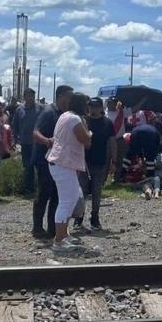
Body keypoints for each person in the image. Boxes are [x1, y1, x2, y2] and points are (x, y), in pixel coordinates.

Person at [47, 92, 92, 253]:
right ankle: (59, 241)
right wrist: (88, 129)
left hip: (61, 162)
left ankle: (63, 235)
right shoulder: (75, 119)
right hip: (63, 163)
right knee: (66, 202)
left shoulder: (65, 115)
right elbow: (86, 141)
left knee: (72, 198)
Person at [31, 85, 73, 238]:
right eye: (69, 96)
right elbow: (35, 133)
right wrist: (47, 141)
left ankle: (52, 228)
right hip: (44, 160)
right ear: (60, 96)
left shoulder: (66, 114)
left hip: (59, 162)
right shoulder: (49, 112)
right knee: (44, 193)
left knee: (57, 195)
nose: (71, 100)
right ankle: (37, 228)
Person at [80, 97, 115, 230]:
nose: (93, 109)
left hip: (100, 162)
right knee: (82, 191)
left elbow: (112, 142)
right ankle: (79, 217)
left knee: (96, 192)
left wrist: (114, 161)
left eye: (95, 106)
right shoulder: (83, 121)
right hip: (83, 162)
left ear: (101, 108)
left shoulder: (107, 123)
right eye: (91, 106)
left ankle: (95, 218)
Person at [10, 88, 42, 195]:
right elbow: (15, 126)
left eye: (32, 96)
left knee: (40, 166)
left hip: (38, 143)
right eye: (28, 96)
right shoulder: (20, 110)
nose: (31, 98)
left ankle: (41, 189)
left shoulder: (40, 108)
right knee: (27, 166)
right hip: (25, 143)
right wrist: (14, 140)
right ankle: (29, 189)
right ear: (24, 97)